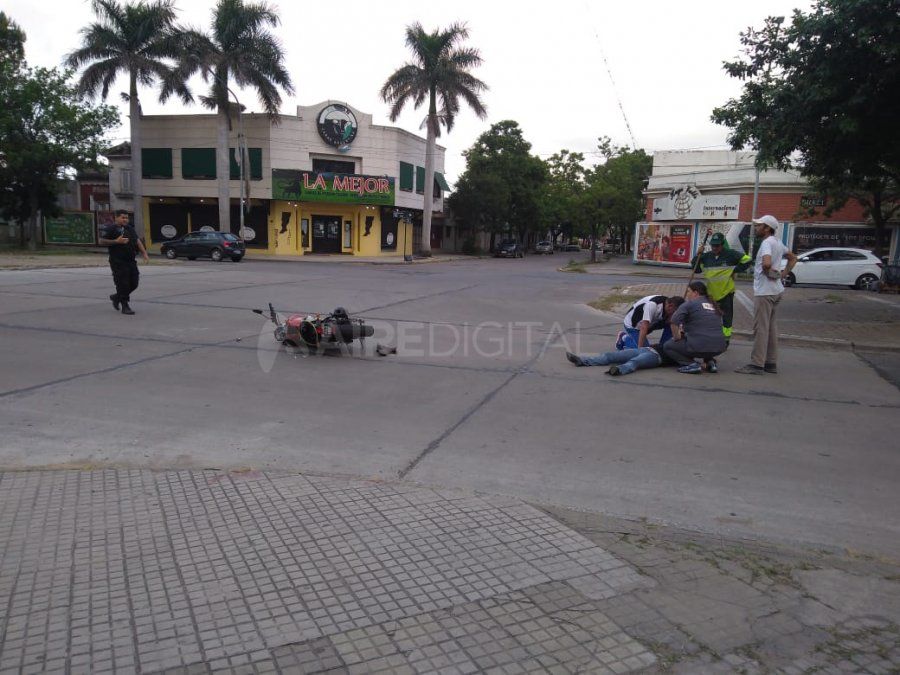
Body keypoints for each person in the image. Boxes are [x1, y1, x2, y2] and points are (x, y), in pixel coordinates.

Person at [735, 215, 798, 375]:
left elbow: (767, 263)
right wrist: (782, 274)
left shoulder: (767, 243)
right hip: (776, 290)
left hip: (764, 291)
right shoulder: (778, 242)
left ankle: (757, 364)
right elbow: (793, 258)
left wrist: (768, 271)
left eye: (759, 225)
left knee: (761, 328)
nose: (756, 228)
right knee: (771, 328)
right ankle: (771, 362)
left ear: (767, 228)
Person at [568, 297, 685, 375]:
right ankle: (583, 360)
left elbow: (691, 363)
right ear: (669, 305)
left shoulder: (686, 348)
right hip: (636, 327)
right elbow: (644, 327)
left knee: (635, 362)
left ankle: (619, 369)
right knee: (612, 356)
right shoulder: (653, 305)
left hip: (657, 357)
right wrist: (641, 348)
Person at [689, 231, 751, 343]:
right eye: (713, 245)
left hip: (726, 293)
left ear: (722, 244)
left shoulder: (731, 254)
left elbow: (747, 260)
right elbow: (696, 269)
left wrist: (735, 270)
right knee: (710, 317)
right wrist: (697, 255)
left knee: (727, 318)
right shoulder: (706, 256)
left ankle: (725, 340)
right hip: (711, 293)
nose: (714, 247)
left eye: (717, 245)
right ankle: (711, 336)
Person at [663, 281, 727, 374]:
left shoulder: (689, 304)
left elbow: (673, 321)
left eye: (688, 291)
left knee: (668, 346)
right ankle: (710, 362)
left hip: (700, 346)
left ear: (695, 293)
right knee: (705, 338)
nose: (687, 294)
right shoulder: (714, 304)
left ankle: (691, 364)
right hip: (720, 347)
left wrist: (677, 337)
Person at [98, 209, 148, 315]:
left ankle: (116, 297)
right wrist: (116, 241)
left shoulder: (129, 228)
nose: (125, 220)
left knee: (134, 283)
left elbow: (137, 240)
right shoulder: (111, 228)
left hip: (131, 261)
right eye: (123, 217)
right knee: (123, 284)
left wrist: (144, 253)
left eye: (126, 218)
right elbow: (101, 241)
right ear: (116, 217)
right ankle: (125, 306)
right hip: (118, 261)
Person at [616, 295, 682, 349]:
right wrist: (640, 349)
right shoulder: (652, 305)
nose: (675, 314)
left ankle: (663, 346)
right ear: (670, 306)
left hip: (653, 323)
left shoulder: (669, 305)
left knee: (672, 324)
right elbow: (644, 327)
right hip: (634, 325)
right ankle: (624, 338)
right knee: (644, 350)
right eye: (675, 312)